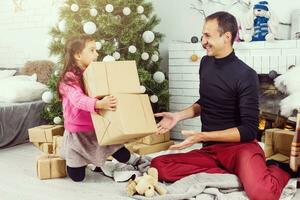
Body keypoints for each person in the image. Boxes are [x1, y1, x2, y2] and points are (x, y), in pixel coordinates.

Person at [151, 12, 292, 200]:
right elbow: (206, 102)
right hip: (211, 150)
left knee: (263, 193)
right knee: (159, 165)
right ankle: (238, 173)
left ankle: (278, 168)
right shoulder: (205, 62)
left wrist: (203, 135)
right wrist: (178, 116)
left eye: (208, 35)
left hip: (240, 149)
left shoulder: (245, 75)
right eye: (202, 35)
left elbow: (249, 130)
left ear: (226, 37)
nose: (203, 41)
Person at [58, 34, 149, 182]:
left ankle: (136, 161)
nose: (97, 54)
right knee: (76, 177)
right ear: (78, 55)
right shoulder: (69, 78)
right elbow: (77, 99)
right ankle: (79, 161)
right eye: (92, 50)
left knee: (119, 151)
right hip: (78, 134)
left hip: (97, 128)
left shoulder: (94, 73)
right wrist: (98, 104)